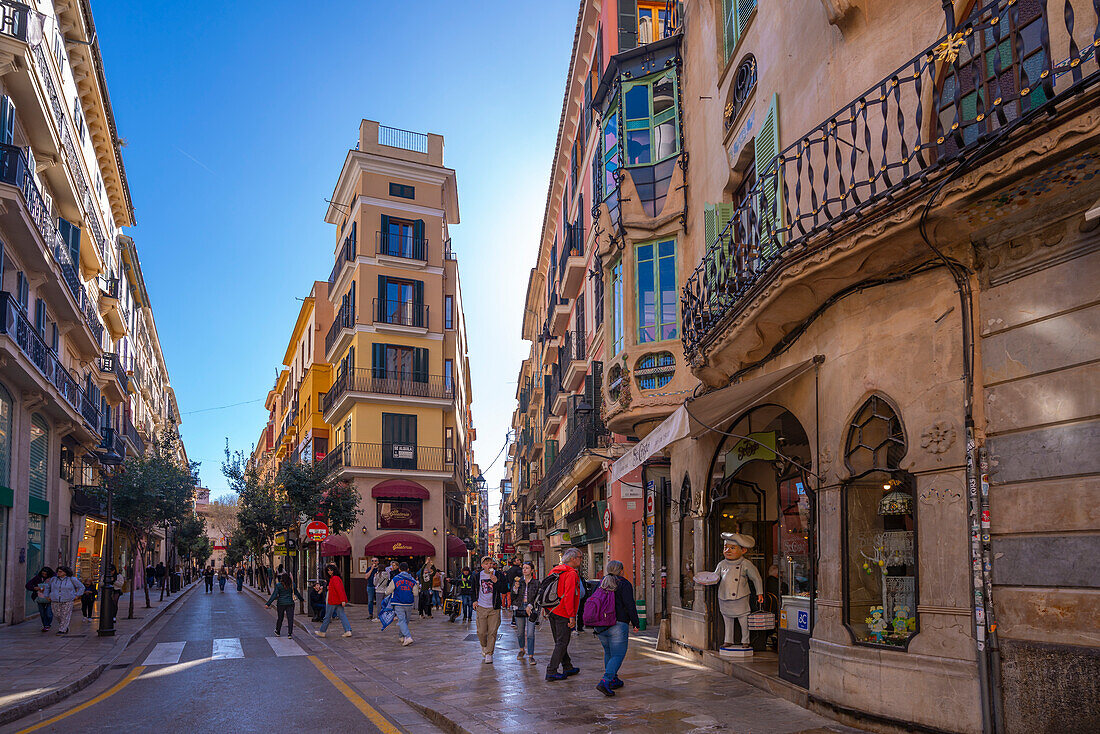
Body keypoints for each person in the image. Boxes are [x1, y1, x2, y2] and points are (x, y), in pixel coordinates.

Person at [592, 561, 641, 696]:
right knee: (618, 655)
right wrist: (636, 623)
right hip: (618, 624)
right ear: (621, 571)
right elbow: (630, 605)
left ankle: (613, 679)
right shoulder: (624, 584)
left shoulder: (601, 583)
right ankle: (605, 681)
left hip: (600, 625)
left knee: (609, 653)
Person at [545, 547, 583, 681]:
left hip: (552, 610)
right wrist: (572, 616)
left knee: (559, 641)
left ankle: (567, 666)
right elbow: (569, 595)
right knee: (562, 642)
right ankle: (551, 671)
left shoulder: (554, 571)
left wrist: (546, 609)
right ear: (573, 559)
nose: (581, 560)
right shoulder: (571, 574)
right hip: (563, 612)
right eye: (580, 557)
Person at [473, 555, 507, 664]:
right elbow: (473, 589)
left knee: (492, 632)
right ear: (482, 565)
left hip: (494, 608)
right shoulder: (477, 576)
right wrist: (474, 600)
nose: (489, 566)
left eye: (491, 563)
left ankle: (489, 653)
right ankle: (484, 646)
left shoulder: (498, 575)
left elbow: (504, 590)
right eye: (486, 564)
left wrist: (496, 581)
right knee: (481, 632)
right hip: (481, 607)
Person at [44, 566, 85, 635]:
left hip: (68, 600)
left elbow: (81, 587)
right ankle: (64, 626)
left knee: (65, 615)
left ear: (65, 572)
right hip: (55, 600)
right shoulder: (53, 579)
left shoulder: (72, 579)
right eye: (58, 571)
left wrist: (77, 595)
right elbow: (48, 587)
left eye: (60, 572)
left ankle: (62, 630)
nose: (58, 573)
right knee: (57, 615)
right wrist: (47, 596)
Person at [513, 562, 540, 665]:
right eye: (523, 568)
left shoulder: (536, 583)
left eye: (527, 568)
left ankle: (531, 655)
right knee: (520, 632)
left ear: (532, 570)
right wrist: (515, 588)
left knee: (530, 633)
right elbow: (513, 596)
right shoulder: (518, 581)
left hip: (531, 609)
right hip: (519, 607)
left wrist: (531, 605)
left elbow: (538, 597)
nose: (524, 570)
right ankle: (521, 649)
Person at [316, 564, 352, 638]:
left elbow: (339, 590)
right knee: (342, 615)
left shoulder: (334, 578)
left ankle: (322, 631)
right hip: (337, 600)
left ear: (334, 570)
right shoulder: (335, 578)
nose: (329, 571)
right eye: (328, 570)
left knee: (327, 616)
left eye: (331, 570)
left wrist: (342, 600)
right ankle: (348, 630)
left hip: (333, 600)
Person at [388, 562, 419, 646]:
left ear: (399, 569)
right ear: (408, 569)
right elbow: (416, 593)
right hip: (409, 603)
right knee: (405, 621)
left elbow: (388, 591)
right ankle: (401, 636)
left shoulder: (395, 578)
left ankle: (408, 637)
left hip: (398, 602)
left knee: (401, 620)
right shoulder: (412, 580)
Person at [266, 571, 304, 638]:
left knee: (280, 618)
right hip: (290, 603)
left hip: (281, 603)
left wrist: (268, 604)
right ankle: (289, 633)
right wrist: (302, 599)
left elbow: (274, 595)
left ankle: (278, 631)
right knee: (290, 618)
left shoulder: (278, 585)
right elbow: (297, 593)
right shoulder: (292, 585)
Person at [26, 567, 55, 632]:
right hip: (40, 597)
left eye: (45, 574)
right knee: (42, 613)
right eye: (43, 574)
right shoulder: (38, 578)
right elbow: (28, 585)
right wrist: (35, 588)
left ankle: (48, 624)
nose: (44, 575)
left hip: (50, 598)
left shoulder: (54, 578)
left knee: (49, 613)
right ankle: (46, 625)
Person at [503, 558, 523, 627]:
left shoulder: (509, 570)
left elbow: (506, 580)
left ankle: (514, 620)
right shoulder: (519, 570)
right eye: (518, 560)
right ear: (514, 562)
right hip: (520, 589)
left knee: (514, 605)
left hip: (512, 589)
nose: (519, 561)